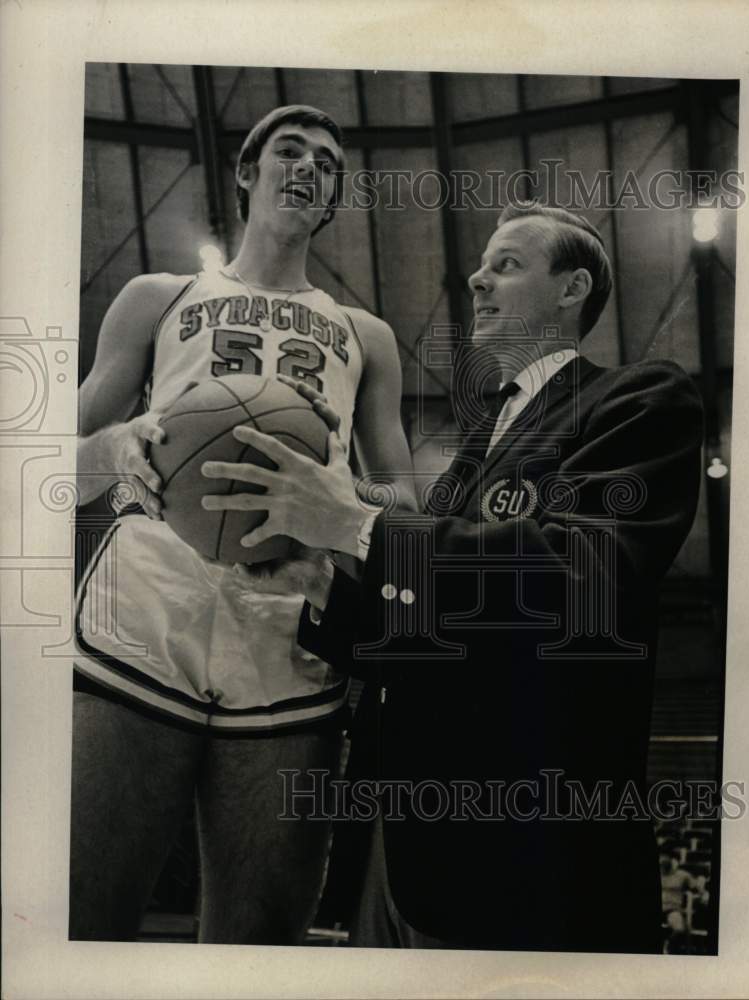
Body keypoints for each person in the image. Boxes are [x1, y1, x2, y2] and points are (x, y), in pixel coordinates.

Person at [202, 200, 704, 952]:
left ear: (571, 290)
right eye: (481, 265)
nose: (476, 277)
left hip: (526, 848)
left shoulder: (637, 399)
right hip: (398, 844)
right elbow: (431, 639)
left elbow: (577, 577)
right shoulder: (472, 454)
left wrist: (355, 523)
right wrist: (322, 588)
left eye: (507, 263)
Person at [71, 104, 416, 943]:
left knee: (260, 939)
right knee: (83, 913)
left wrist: (336, 509)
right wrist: (120, 447)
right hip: (150, 600)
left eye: (328, 162)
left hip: (290, 619)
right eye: (290, 151)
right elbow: (43, 461)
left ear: (333, 194)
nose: (309, 167)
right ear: (247, 171)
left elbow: (406, 505)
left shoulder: (364, 335)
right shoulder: (160, 297)